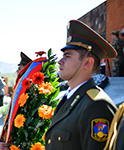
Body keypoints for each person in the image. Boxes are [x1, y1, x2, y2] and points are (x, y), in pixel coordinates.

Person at [44, 20, 117, 150]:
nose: (60, 61)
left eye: (67, 56)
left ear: (87, 63)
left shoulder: (96, 105)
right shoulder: (69, 99)